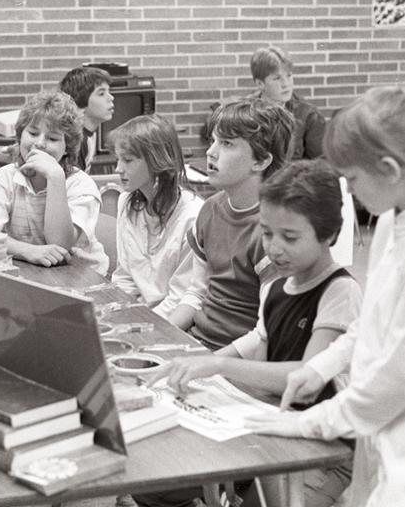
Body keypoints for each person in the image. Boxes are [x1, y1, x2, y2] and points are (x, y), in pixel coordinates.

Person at [247, 86, 405, 507]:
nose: (349, 190)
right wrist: (321, 367)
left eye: (353, 180)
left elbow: (398, 382)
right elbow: (372, 324)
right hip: (383, 428)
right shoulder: (398, 221)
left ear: (391, 169)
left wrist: (309, 424)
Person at [138, 159, 361, 507]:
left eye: (290, 237)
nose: (274, 248)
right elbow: (261, 342)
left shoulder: (339, 291)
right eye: (267, 233)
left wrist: (218, 366)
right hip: (273, 425)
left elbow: (305, 376)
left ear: (330, 234)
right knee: (157, 487)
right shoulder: (278, 287)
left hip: (324, 445)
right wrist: (199, 363)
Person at [161, 99, 294, 349]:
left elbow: (266, 332)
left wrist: (214, 364)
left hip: (242, 359)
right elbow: (197, 293)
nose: (211, 152)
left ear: (261, 160)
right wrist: (163, 335)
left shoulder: (274, 229)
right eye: (213, 140)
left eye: (227, 143)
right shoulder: (210, 209)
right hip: (199, 343)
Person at [0, 90, 108, 274]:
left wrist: (55, 177)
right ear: (20, 136)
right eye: (33, 133)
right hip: (29, 271)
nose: (39, 143)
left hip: (81, 277)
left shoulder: (82, 186)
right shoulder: (4, 178)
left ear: (67, 147)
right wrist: (28, 251)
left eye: (53, 138)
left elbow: (59, 246)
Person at [108, 114, 203, 312]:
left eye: (128, 160)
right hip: (138, 315)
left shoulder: (193, 216)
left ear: (156, 161)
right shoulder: (125, 202)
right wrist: (116, 315)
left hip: (173, 321)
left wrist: (144, 324)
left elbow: (181, 298)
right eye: (118, 159)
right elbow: (125, 277)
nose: (118, 168)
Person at [250, 45, 325, 160]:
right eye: (277, 78)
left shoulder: (308, 115)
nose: (286, 84)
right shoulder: (244, 113)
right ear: (260, 84)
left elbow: (319, 164)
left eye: (289, 76)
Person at [59, 66, 114, 171]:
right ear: (80, 100)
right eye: (101, 93)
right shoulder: (76, 141)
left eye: (109, 92)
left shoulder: (89, 133)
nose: (111, 98)